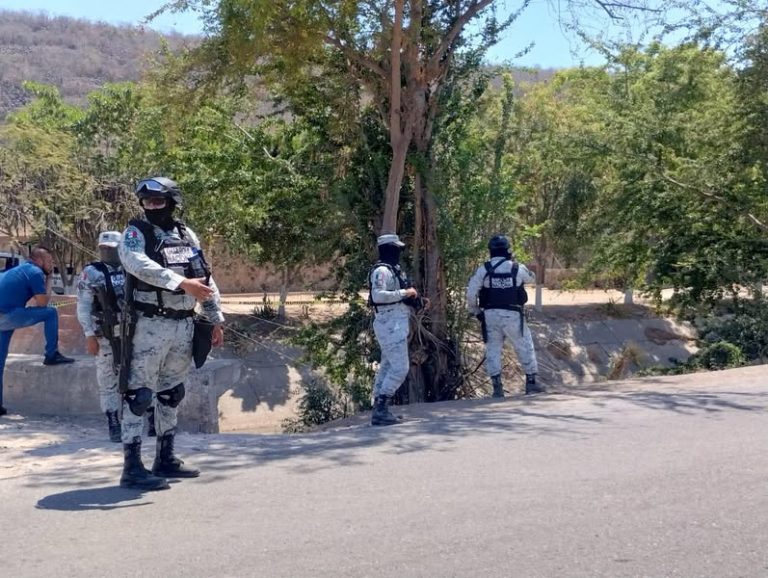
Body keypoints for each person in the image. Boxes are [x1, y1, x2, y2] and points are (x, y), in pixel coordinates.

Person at [118, 176, 224, 491]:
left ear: (172, 201)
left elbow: (204, 276)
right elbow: (136, 264)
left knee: (171, 392)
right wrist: (179, 284)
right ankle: (132, 466)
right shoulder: (136, 232)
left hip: (183, 324)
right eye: (147, 201)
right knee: (139, 395)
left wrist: (214, 318)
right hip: (149, 324)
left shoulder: (185, 234)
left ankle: (165, 457)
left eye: (158, 201)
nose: (151, 206)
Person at [0, 246, 75, 416]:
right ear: (39, 260)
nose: (52, 264)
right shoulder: (34, 272)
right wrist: (49, 279)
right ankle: (51, 354)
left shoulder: (18, 270)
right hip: (7, 315)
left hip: (4, 314)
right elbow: (43, 303)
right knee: (50, 313)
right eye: (49, 261)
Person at [466, 235, 542, 398]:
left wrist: (476, 311)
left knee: (493, 348)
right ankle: (531, 383)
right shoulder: (517, 268)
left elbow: (471, 293)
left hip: (490, 315)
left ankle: (497, 387)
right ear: (507, 250)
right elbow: (533, 279)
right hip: (513, 315)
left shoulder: (484, 269)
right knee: (524, 345)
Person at [368, 233, 426, 426]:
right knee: (400, 369)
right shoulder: (382, 271)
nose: (399, 253)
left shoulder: (393, 270)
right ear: (388, 250)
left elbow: (398, 296)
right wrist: (404, 293)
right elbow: (377, 296)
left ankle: (380, 409)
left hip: (395, 322)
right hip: (389, 323)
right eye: (396, 249)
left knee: (387, 366)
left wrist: (417, 300)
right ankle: (382, 408)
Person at [76, 231, 128, 442]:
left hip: (132, 332)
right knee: (107, 379)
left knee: (140, 375)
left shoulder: (131, 268)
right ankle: (113, 421)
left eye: (112, 248)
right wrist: (89, 335)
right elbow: (83, 307)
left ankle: (148, 418)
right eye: (104, 248)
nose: (107, 252)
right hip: (105, 334)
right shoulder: (92, 272)